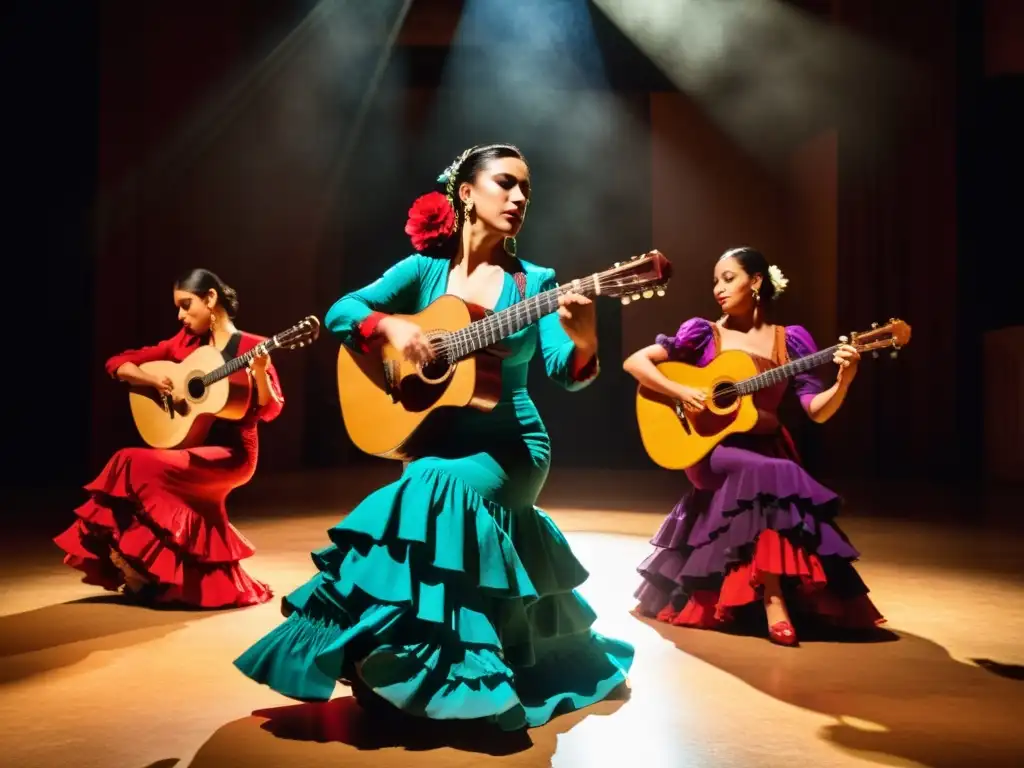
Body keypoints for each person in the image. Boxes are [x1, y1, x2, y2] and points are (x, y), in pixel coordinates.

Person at [234, 144, 633, 730]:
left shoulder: (537, 284)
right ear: (466, 194)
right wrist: (391, 325)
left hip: (511, 446)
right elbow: (344, 310)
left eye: (527, 189)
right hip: (435, 436)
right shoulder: (423, 271)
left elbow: (562, 370)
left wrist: (586, 343)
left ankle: (450, 680)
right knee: (427, 478)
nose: (520, 198)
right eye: (506, 183)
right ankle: (388, 659)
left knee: (428, 481)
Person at [623, 247, 884, 646]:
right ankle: (773, 600)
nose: (718, 289)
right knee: (774, 474)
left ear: (756, 281)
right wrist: (683, 391)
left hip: (765, 450)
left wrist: (843, 381)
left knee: (771, 474)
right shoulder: (702, 332)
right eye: (715, 280)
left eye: (728, 278)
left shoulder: (791, 340)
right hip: (712, 448)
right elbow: (636, 363)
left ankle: (773, 593)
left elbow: (815, 411)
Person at [54, 268, 283, 608]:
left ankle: (151, 571)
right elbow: (118, 363)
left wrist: (261, 374)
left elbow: (270, 409)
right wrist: (151, 381)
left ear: (210, 299)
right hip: (193, 447)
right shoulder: (185, 344)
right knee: (132, 461)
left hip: (233, 454)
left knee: (130, 460)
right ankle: (149, 571)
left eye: (186, 305)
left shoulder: (250, 347)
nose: (180, 315)